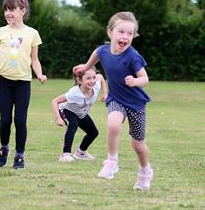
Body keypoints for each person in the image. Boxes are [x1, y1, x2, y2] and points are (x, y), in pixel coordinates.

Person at [73, 11, 153, 190]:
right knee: (113, 124)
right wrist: (85, 67)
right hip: (116, 99)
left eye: (130, 33)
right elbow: (96, 54)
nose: (125, 36)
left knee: (138, 145)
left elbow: (145, 79)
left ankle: (145, 171)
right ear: (110, 32)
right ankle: (111, 161)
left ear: (134, 36)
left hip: (136, 104)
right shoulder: (103, 50)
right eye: (121, 32)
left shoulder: (133, 56)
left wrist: (135, 81)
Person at [0, 0, 47, 169]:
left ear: (23, 10)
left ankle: (20, 155)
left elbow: (34, 59)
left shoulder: (32, 33)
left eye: (12, 9)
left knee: (20, 120)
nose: (8, 13)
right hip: (4, 81)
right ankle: (4, 147)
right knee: (5, 120)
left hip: (23, 83)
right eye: (6, 9)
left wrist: (40, 74)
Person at [51, 67, 107, 162]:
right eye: (88, 78)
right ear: (79, 80)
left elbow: (100, 77)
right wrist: (58, 118)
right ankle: (65, 154)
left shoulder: (95, 86)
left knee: (93, 132)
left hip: (81, 113)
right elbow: (55, 101)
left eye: (93, 77)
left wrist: (105, 93)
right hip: (66, 110)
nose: (92, 81)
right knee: (73, 125)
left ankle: (80, 153)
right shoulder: (74, 93)